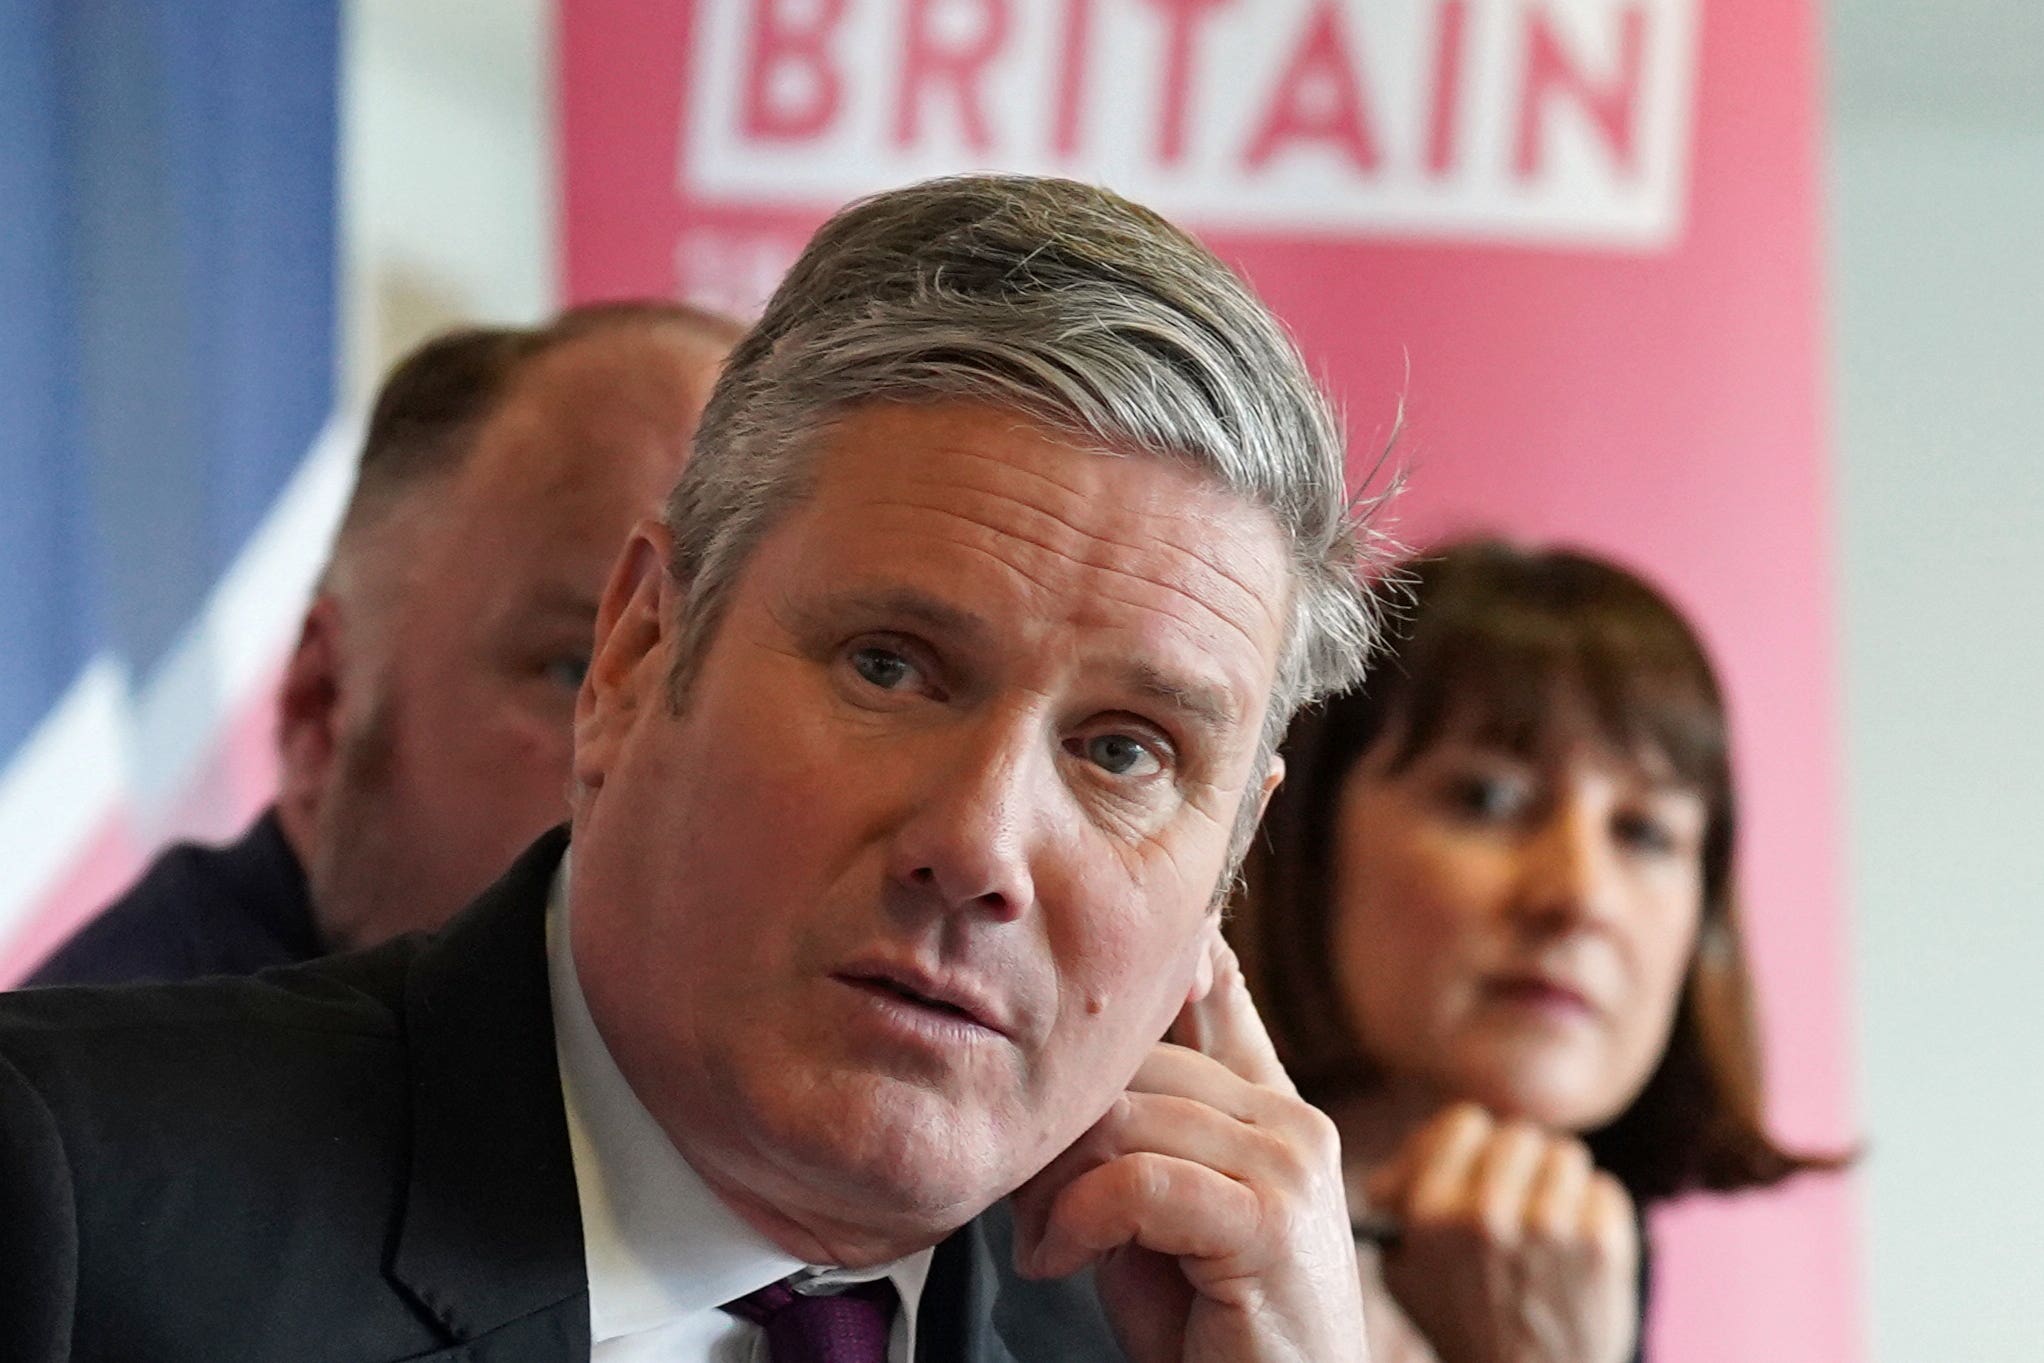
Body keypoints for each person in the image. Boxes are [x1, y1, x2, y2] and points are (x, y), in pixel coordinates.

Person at [0, 175, 1385, 1362]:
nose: (977, 845)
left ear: (1222, 871)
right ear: (639, 651)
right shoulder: (66, 1205)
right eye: (890, 665)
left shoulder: (1182, 1331)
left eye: (1125, 752)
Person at [1235, 539, 1843, 1363]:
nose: (1579, 896)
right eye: (1489, 798)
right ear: (1301, 832)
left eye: (1645, 832)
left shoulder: (1587, 1266)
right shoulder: (1101, 1245)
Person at [23, 300, 741, 986]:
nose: (687, 778)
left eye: (739, 694)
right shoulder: (104, 1097)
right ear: (322, 707)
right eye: (575, 669)